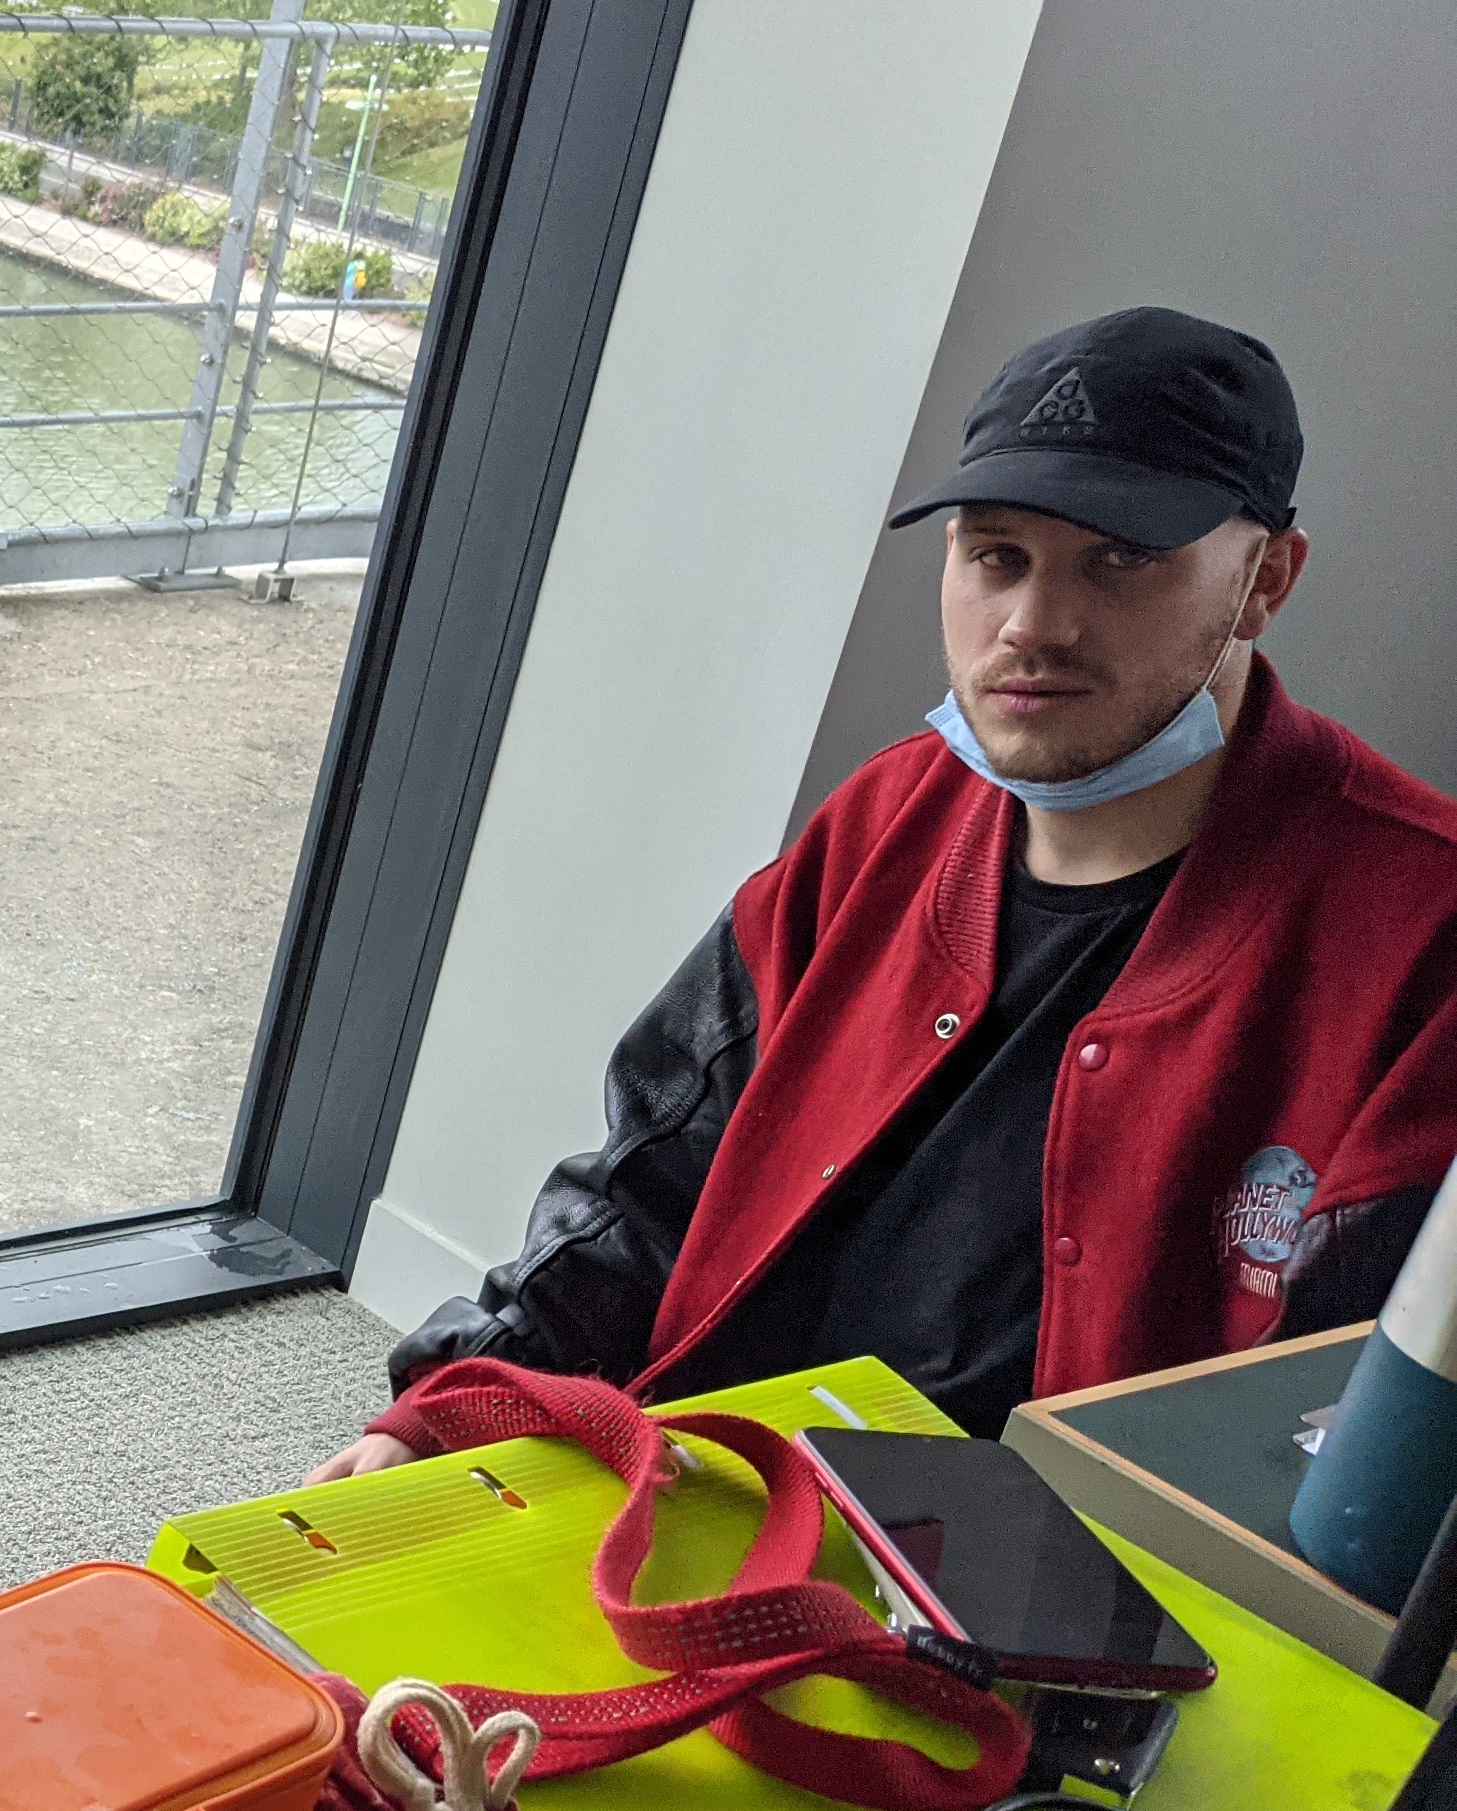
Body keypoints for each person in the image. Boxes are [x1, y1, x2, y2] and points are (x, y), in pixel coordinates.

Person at [322, 308, 1457, 1477]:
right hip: (707, 1483)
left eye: (1122, 560)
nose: (1033, 624)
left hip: (1050, 1597)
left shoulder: (1419, 938)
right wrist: (458, 1398)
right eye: (996, 556)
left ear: (1266, 579)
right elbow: (651, 1173)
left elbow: (1338, 1449)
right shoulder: (886, 820)